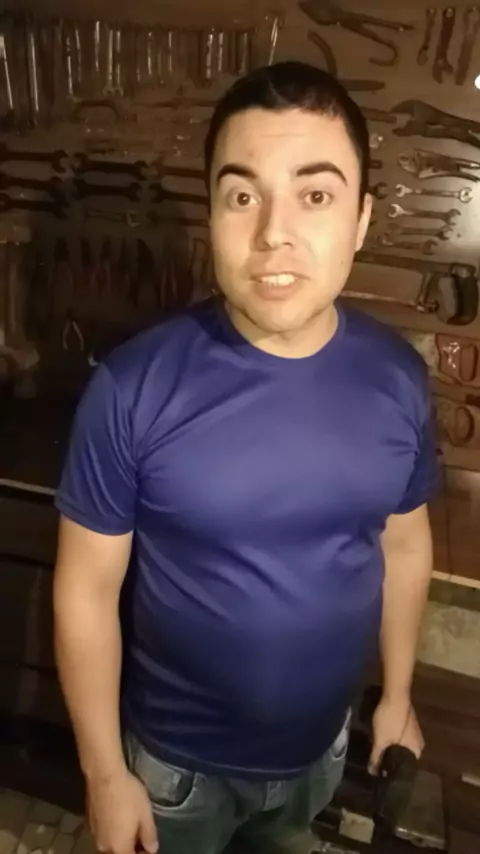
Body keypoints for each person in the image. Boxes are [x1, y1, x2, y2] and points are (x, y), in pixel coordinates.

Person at [53, 61, 438, 854]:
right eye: (242, 196)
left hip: (318, 752)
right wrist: (104, 773)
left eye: (315, 195)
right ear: (211, 214)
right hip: (174, 771)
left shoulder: (399, 380)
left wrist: (397, 695)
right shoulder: (132, 389)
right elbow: (86, 590)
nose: (272, 234)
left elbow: (404, 546)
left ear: (362, 219)